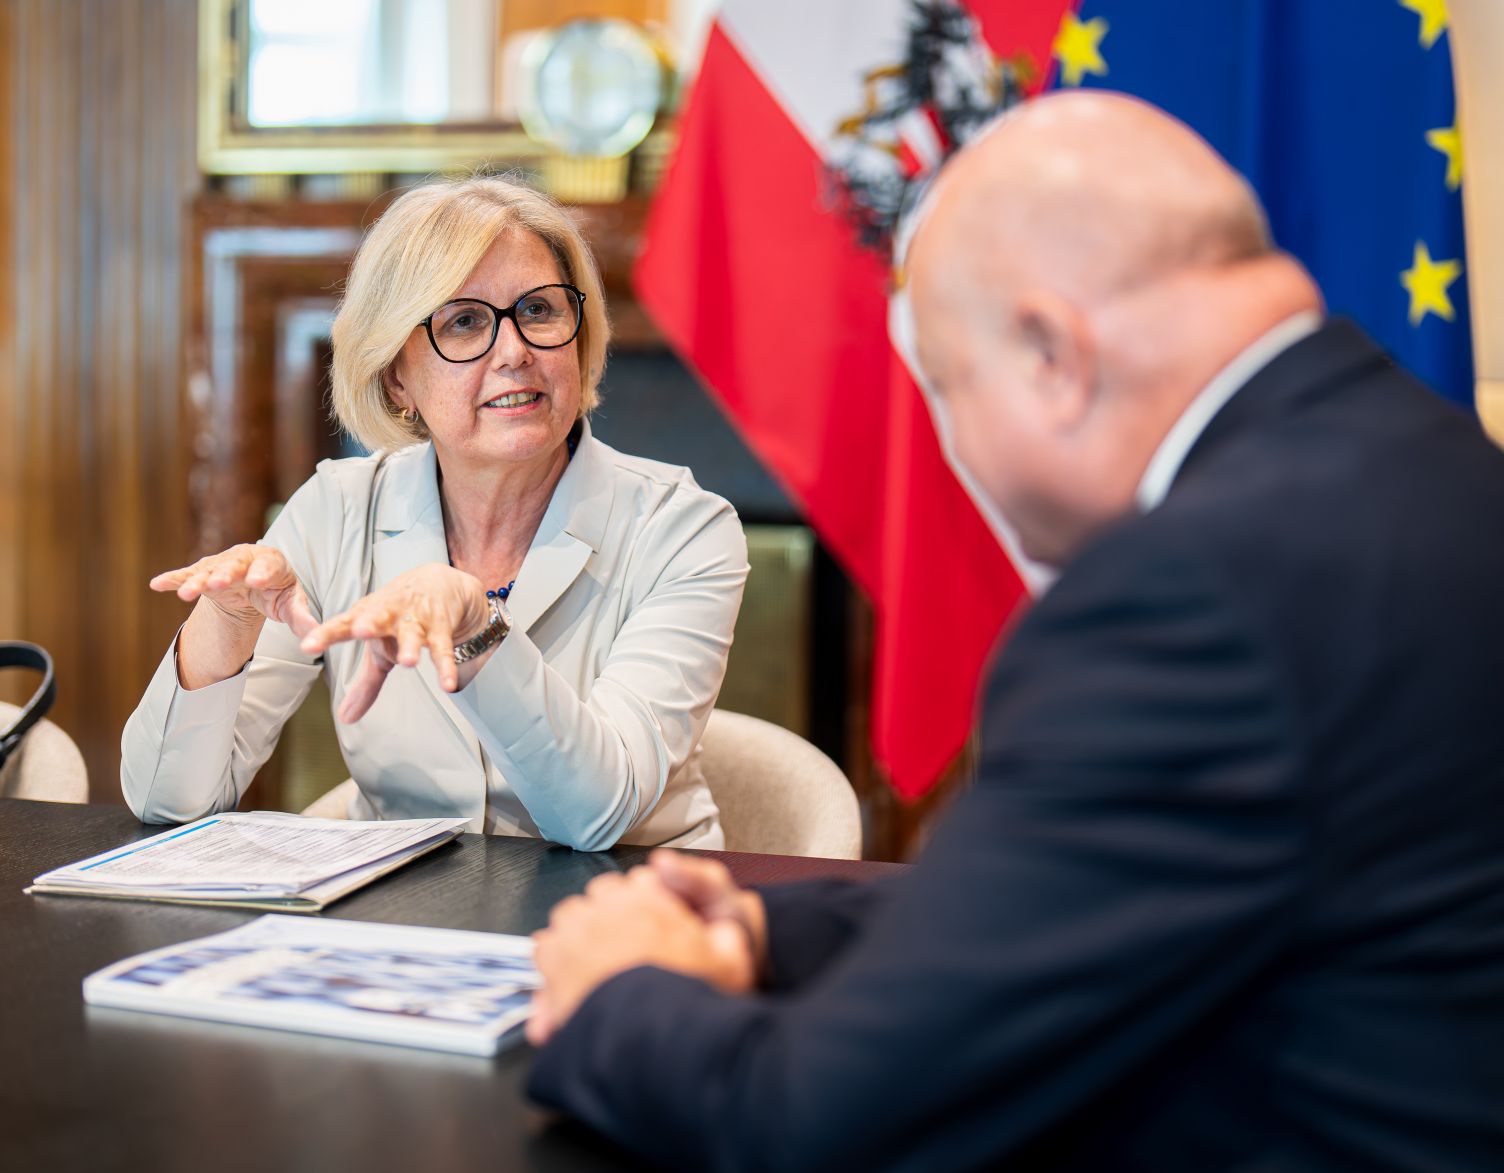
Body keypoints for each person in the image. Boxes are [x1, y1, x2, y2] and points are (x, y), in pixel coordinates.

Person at [525, 92, 1504, 1170]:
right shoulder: (1431, 471)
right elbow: (1093, 893)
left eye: (944, 388)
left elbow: (812, 1127)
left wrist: (621, 987)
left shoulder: (1193, 596)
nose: (956, 456)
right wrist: (770, 929)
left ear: (1049, 352)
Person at [122, 177, 747, 851]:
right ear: (398, 377)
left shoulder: (683, 528)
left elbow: (597, 814)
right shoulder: (338, 510)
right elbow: (166, 802)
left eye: (538, 310)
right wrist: (226, 622)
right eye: (464, 321)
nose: (514, 351)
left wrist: (478, 629)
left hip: (628, 922)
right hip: (405, 924)